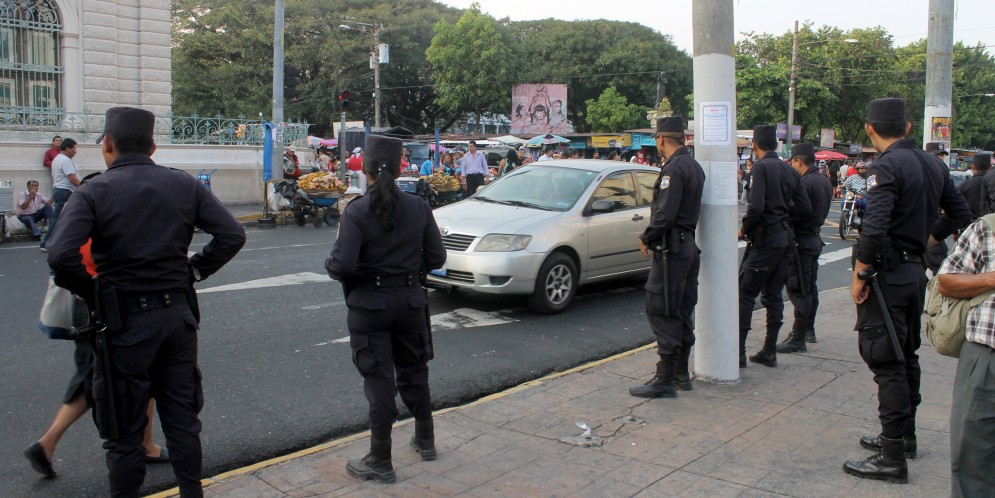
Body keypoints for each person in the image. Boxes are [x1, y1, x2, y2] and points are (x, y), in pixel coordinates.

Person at [47, 106, 246, 497]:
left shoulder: (93, 190)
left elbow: (60, 255)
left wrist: (93, 291)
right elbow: (232, 235)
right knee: (182, 421)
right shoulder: (183, 184)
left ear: (107, 145)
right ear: (152, 147)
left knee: (123, 430)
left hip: (124, 324)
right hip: (177, 319)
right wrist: (194, 271)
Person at [844, 98, 970, 484]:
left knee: (887, 361)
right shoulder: (933, 164)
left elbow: (875, 225)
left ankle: (892, 456)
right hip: (914, 272)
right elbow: (960, 214)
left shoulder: (886, 165)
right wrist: (928, 238)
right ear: (909, 128)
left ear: (870, 129)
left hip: (887, 276)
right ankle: (903, 436)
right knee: (905, 356)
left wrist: (860, 272)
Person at [25, 180, 169, 479]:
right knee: (111, 374)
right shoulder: (104, 214)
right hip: (101, 301)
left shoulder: (81, 211)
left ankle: (143, 443)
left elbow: (61, 253)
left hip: (88, 299)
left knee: (100, 375)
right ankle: (50, 442)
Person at [325, 135, 447, 484]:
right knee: (415, 371)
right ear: (399, 168)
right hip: (410, 301)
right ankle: (426, 439)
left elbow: (342, 265)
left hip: (369, 306)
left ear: (364, 170)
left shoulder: (357, 210)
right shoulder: (418, 207)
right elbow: (437, 257)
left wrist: (334, 263)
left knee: (379, 381)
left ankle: (380, 459)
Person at [629, 116, 705, 399]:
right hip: (687, 247)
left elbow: (665, 213)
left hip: (672, 250)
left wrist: (646, 236)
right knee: (681, 309)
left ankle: (665, 380)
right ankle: (680, 374)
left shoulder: (673, 168)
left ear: (661, 138)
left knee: (662, 308)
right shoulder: (694, 166)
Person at [738, 125, 811, 368]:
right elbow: (804, 208)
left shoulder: (761, 168)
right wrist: (782, 215)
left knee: (745, 293)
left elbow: (756, 207)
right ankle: (769, 349)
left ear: (755, 145)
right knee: (773, 295)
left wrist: (745, 229)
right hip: (784, 238)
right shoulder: (789, 170)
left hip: (766, 239)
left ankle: (738, 351)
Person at [935, 222, 995, 497]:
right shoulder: (987, 228)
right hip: (985, 358)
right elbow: (946, 281)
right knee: (972, 454)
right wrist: (990, 279)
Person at [776, 143, 833, 353]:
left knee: (799, 288)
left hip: (802, 240)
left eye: (792, 162)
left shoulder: (805, 182)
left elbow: (798, 210)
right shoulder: (823, 180)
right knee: (809, 287)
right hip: (814, 238)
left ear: (799, 161)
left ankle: (799, 336)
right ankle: (808, 329)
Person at [41, 138, 80, 253]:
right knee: (58, 218)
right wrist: (84, 187)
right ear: (67, 148)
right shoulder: (65, 160)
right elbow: (72, 178)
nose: (75, 151)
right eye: (74, 148)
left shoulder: (57, 159)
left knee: (65, 217)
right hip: (65, 191)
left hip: (60, 190)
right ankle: (46, 242)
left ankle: (65, 241)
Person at [959, 153, 990, 220]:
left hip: (969, 223)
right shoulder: (992, 184)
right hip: (990, 223)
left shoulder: (964, 185)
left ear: (973, 166)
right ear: (990, 167)